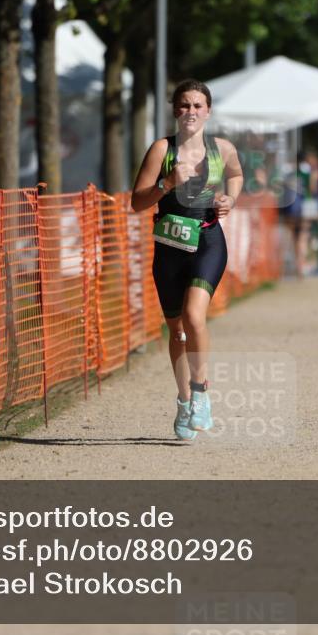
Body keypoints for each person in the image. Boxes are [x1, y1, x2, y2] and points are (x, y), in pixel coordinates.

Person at [131, 79, 243, 440]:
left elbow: (237, 175)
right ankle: (183, 401)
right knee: (176, 330)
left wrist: (230, 199)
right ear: (174, 110)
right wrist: (166, 184)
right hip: (169, 247)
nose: (191, 111)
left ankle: (200, 393)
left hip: (208, 240)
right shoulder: (161, 150)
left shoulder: (222, 149)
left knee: (195, 316)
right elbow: (137, 202)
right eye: (184, 105)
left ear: (208, 111)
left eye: (197, 105)